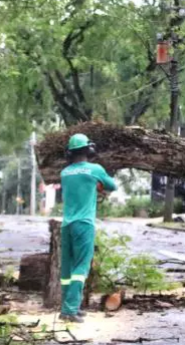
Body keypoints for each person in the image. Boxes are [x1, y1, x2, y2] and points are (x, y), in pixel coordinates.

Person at [59, 133, 116, 322]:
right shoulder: (95, 169)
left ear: (70, 153)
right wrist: (99, 184)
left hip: (66, 225)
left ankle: (65, 307)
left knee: (67, 269)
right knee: (80, 268)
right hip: (84, 224)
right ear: (89, 149)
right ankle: (70, 309)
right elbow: (112, 185)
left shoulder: (65, 172)